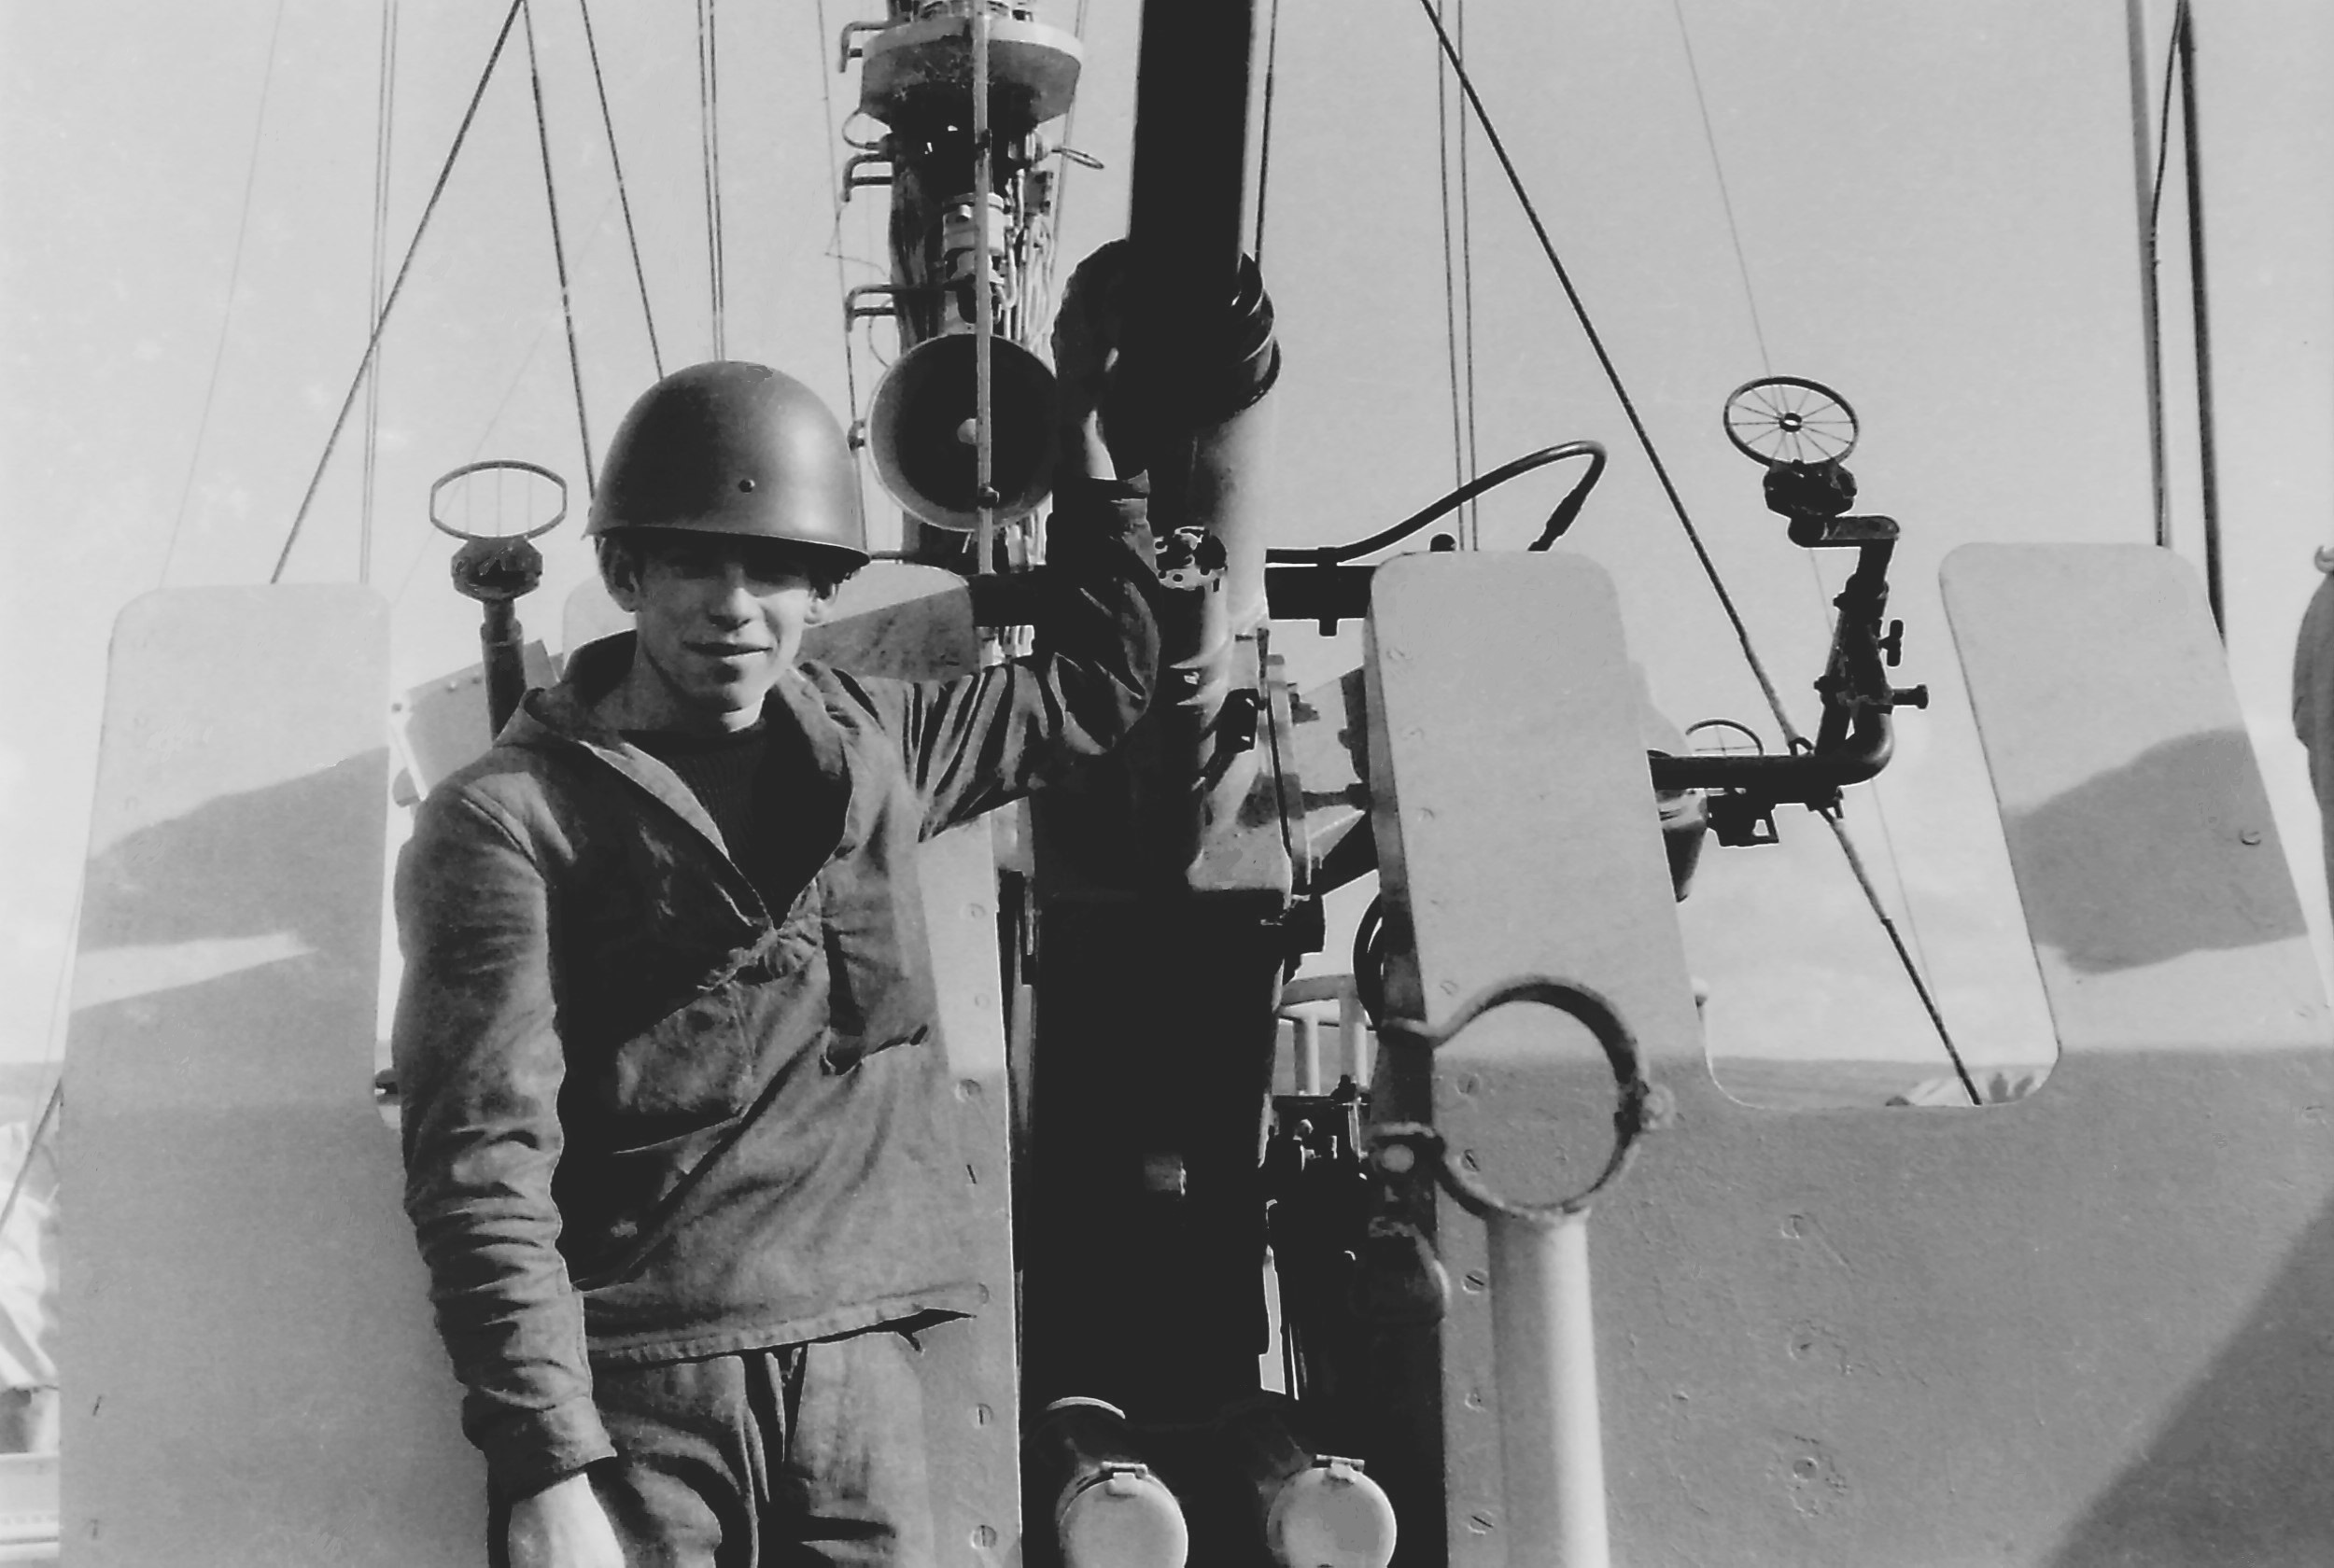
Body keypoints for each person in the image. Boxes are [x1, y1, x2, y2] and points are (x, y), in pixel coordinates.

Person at [391, 265, 1156, 1567]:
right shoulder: (509, 820)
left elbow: (1099, 683)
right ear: (626, 573)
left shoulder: (877, 742)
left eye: (776, 568)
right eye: (693, 560)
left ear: (823, 590)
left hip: (860, 1364)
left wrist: (1086, 444)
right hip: (643, 1387)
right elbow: (481, 1160)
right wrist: (547, 1466)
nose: (733, 604)